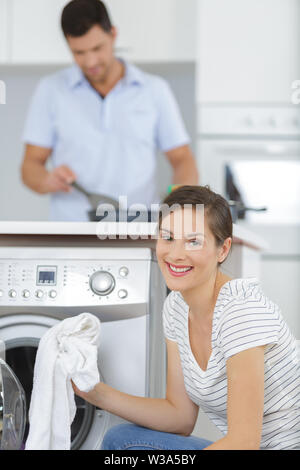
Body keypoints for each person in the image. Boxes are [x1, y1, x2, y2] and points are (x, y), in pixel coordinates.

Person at [72, 185, 300, 450]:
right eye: (168, 238)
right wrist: (94, 392)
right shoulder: (177, 307)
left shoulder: (241, 311)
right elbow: (179, 416)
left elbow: (243, 443)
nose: (176, 254)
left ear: (223, 249)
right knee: (120, 440)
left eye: (194, 241)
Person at [20, 0, 198, 221]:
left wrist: (177, 203)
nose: (90, 61)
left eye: (97, 48)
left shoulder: (154, 90)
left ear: (113, 34)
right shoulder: (51, 90)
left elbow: (182, 159)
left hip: (138, 231)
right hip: (71, 234)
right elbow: (30, 166)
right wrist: (45, 180)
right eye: (79, 52)